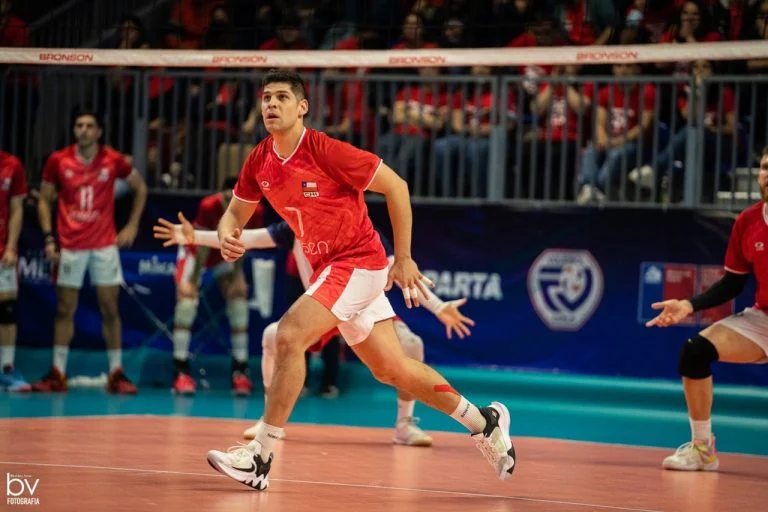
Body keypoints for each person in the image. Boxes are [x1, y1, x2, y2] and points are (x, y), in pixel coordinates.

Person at [201, 69, 515, 491]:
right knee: (393, 370)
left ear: (302, 107)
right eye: (266, 98)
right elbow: (235, 213)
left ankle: (260, 455)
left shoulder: (326, 151)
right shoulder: (259, 158)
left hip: (356, 261)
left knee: (289, 335)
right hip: (333, 269)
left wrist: (402, 259)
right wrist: (225, 234)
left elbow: (397, 187)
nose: (271, 105)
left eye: (280, 98)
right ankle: (485, 422)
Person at [154, 215, 475, 446]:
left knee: (412, 346)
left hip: (363, 306)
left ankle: (405, 424)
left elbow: (402, 270)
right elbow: (247, 238)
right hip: (324, 310)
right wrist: (194, 236)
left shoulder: (361, 229)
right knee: (271, 337)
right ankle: (269, 421)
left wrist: (438, 306)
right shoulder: (292, 227)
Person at [646, 146, 768, 471]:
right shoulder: (749, 221)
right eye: (765, 167)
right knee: (695, 352)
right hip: (764, 320)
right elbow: (733, 283)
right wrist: (688, 304)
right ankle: (703, 448)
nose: (767, 175)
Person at [31, 110, 148, 394]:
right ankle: (58, 372)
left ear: (98, 132)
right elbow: (44, 200)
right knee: (64, 310)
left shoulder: (113, 159)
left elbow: (140, 188)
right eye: (79, 125)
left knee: (110, 308)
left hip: (104, 245)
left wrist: (132, 225)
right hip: (70, 245)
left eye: (89, 126)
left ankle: (116, 373)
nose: (83, 130)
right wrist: (49, 238)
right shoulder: (58, 160)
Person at [171, 177, 264, 396]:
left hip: (225, 255)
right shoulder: (208, 206)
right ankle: (180, 371)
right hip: (197, 252)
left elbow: (247, 243)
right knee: (186, 304)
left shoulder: (256, 211)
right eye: (225, 198)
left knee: (239, 299)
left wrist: (237, 276)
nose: (227, 203)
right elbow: (202, 246)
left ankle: (240, 371)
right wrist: (193, 281)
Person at [0, 150, 29, 391]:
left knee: (6, 309)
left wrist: (11, 246)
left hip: (2, 250)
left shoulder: (11, 164)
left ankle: (6, 367)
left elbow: (17, 208)